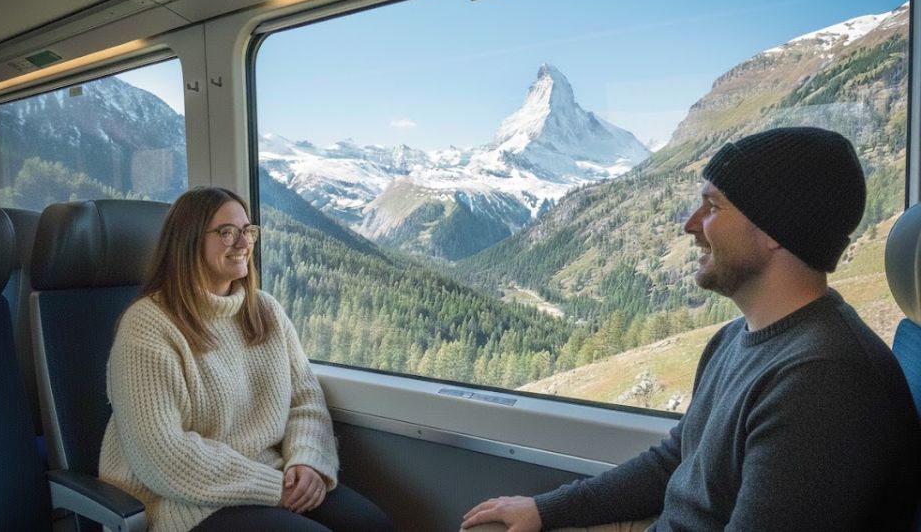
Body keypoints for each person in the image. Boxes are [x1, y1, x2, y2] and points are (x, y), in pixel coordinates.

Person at [462, 127, 921, 532]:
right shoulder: (735, 340)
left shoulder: (825, 382)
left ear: (775, 229)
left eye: (713, 207)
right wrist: (547, 508)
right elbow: (675, 462)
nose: (690, 225)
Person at [99, 186, 394, 532]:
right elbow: (164, 457)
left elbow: (305, 401)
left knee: (373, 525)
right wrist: (275, 488)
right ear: (188, 241)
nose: (243, 243)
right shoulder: (148, 325)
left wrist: (308, 460)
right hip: (183, 500)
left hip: (270, 474)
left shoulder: (264, 310)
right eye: (226, 232)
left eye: (247, 230)